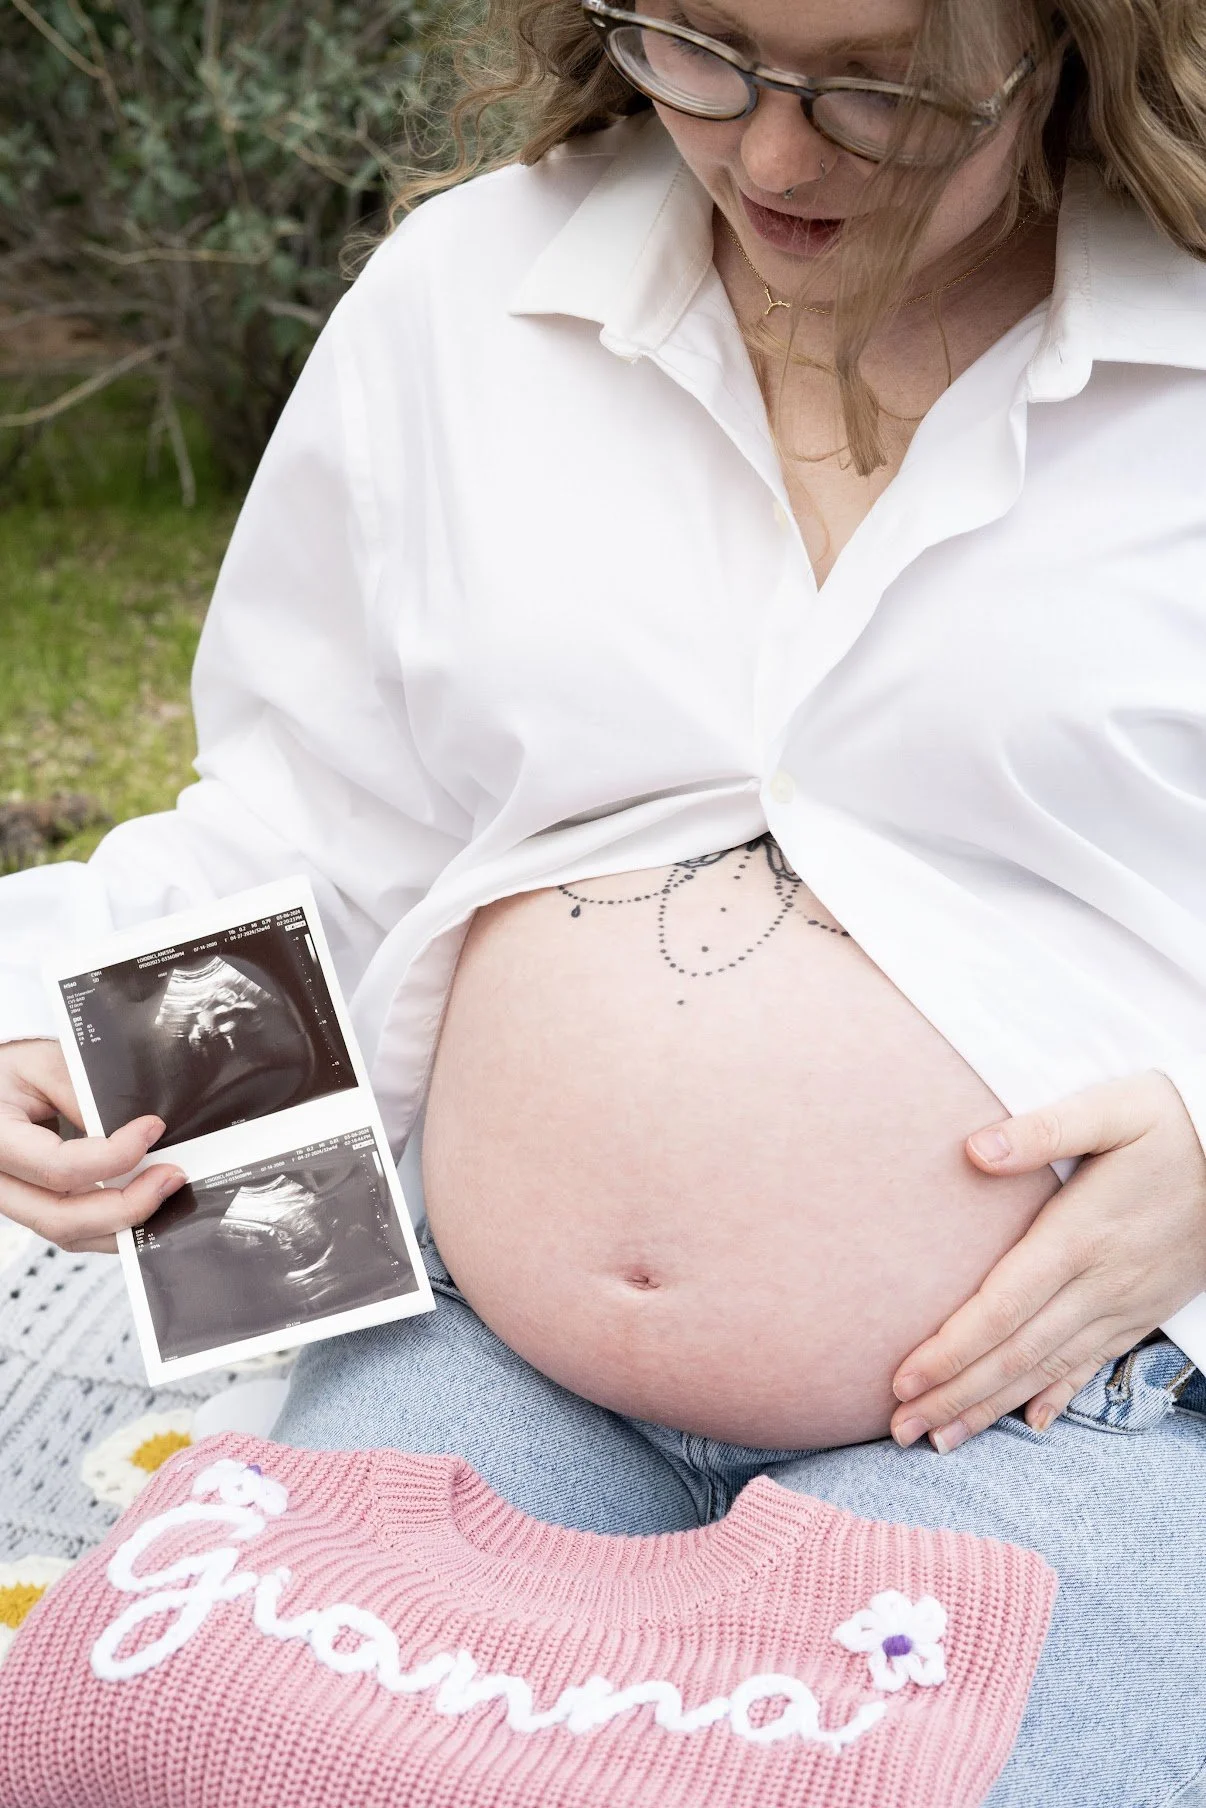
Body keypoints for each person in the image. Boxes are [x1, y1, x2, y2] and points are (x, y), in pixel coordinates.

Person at [2, 0, 1206, 1798]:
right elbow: (317, 816)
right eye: (697, 47)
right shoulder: (464, 297)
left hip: (1052, 1396)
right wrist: (40, 1013)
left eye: (879, 86)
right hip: (489, 1343)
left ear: (1073, 44)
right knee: (150, 1737)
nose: (774, 154)